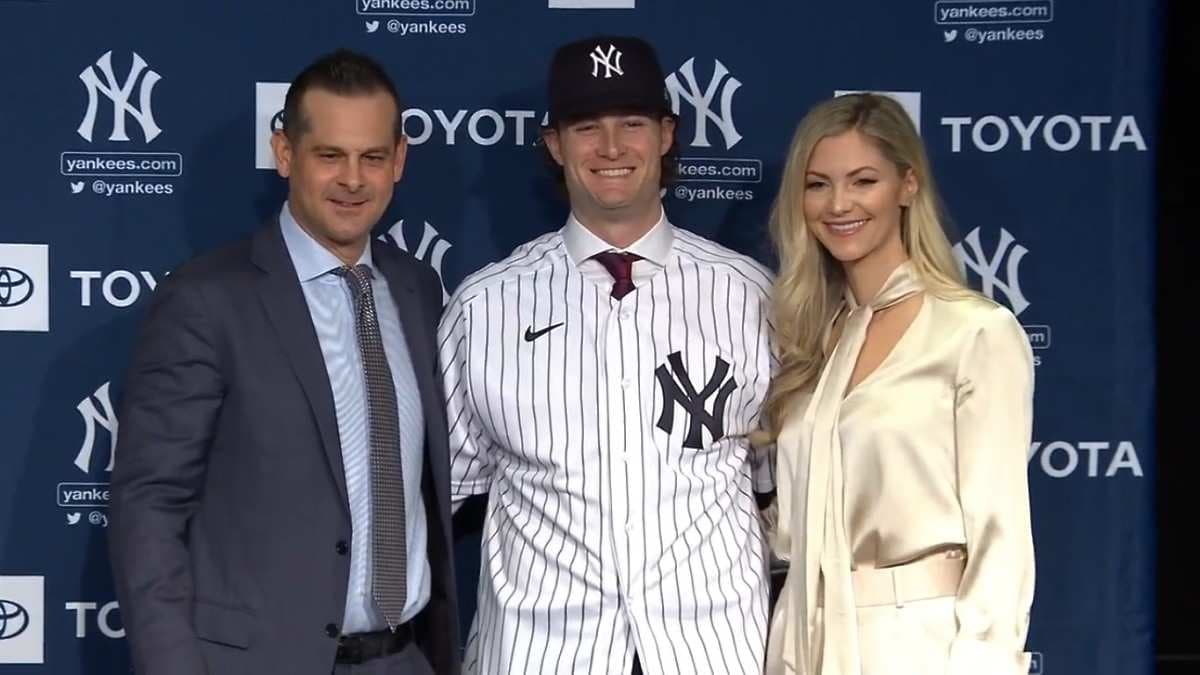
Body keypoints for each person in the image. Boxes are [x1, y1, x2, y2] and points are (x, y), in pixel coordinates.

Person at [108, 49, 459, 675]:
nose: (352, 180)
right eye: (329, 156)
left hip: (404, 659)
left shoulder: (418, 290)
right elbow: (150, 506)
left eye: (372, 157)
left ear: (399, 160)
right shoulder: (206, 300)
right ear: (285, 153)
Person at [437, 35, 775, 675]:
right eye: (587, 126)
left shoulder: (751, 297)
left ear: (667, 134)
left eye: (632, 123)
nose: (612, 147)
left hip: (713, 649)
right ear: (554, 144)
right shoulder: (484, 306)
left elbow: (779, 483)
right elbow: (436, 498)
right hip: (543, 653)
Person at [760, 92, 1036, 675]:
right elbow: (788, 525)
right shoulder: (810, 343)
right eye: (818, 185)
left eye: (863, 181)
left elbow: (1001, 535)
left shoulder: (974, 332)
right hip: (800, 638)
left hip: (919, 642)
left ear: (907, 185)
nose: (839, 204)